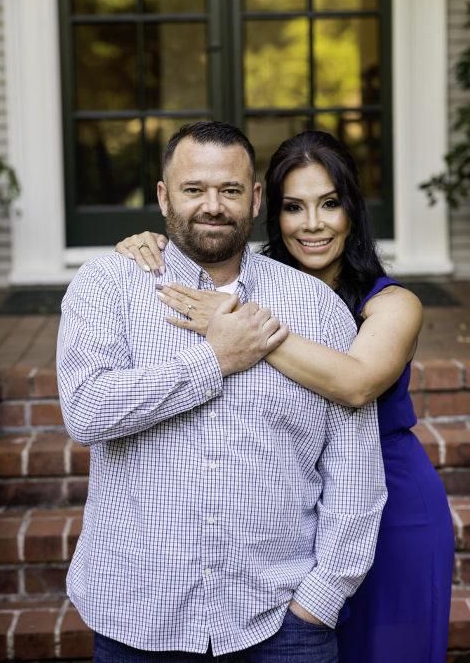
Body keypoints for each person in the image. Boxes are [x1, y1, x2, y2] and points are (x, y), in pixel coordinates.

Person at [117, 129, 455, 663]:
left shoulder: (392, 303)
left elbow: (356, 383)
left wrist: (234, 331)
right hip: (295, 517)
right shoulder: (257, 290)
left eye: (330, 204)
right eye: (294, 207)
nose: (313, 223)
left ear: (352, 212)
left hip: (391, 507)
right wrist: (151, 243)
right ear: (268, 211)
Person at [58, 122, 386, 663]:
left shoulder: (316, 306)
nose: (212, 206)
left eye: (230, 190)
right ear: (164, 197)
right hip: (138, 618)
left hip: (282, 623)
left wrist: (320, 599)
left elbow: (355, 473)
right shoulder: (106, 286)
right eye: (194, 190)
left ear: (255, 199)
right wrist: (214, 361)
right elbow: (88, 411)